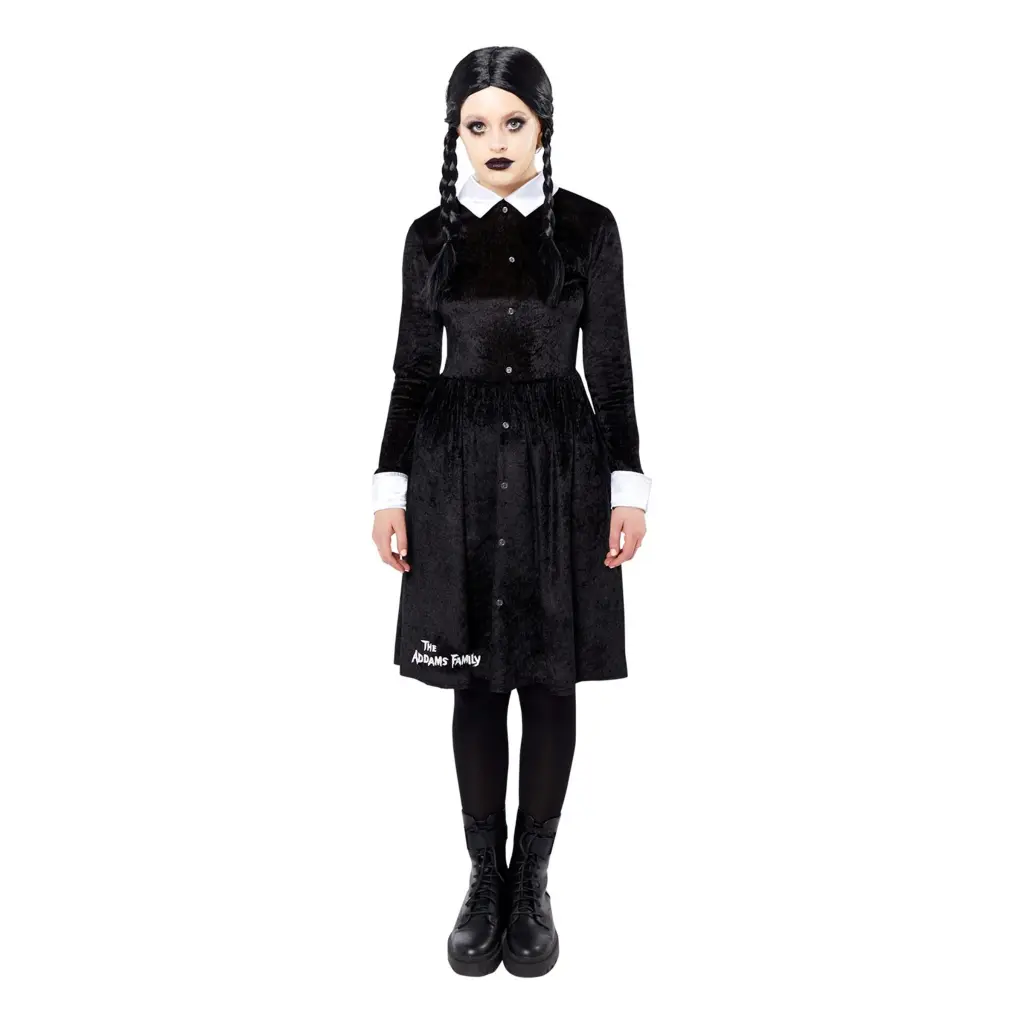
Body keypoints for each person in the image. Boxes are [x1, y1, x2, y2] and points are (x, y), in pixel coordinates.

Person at [370, 46, 651, 978]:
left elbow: (611, 368)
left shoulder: (590, 230)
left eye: (513, 122)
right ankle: (482, 879)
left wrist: (626, 486)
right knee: (476, 683)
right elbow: (412, 370)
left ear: (544, 126)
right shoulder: (430, 237)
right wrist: (389, 489)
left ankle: (533, 881)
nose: (495, 140)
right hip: (452, 472)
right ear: (455, 135)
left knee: (550, 679)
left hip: (561, 469)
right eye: (476, 124)